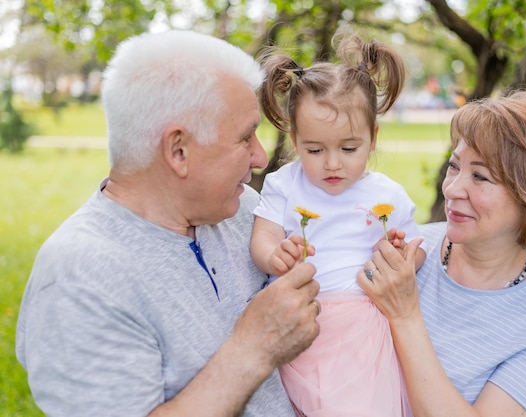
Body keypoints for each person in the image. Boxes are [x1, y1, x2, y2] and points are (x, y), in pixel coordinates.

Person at [15, 30, 323, 417]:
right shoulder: (79, 277)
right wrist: (254, 349)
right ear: (178, 150)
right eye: (245, 137)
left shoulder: (244, 209)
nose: (260, 157)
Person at [358, 89, 526, 417]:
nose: (453, 189)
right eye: (454, 167)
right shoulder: (408, 252)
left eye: (480, 176)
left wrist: (404, 314)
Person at [251, 33, 425, 416]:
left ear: (372, 138)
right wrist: (274, 255)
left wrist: (399, 256)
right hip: (299, 313)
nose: (332, 163)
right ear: (295, 140)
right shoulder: (284, 183)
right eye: (315, 150)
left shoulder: (387, 193)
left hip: (361, 324)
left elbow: (417, 249)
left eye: (349, 149)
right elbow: (262, 237)